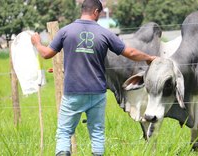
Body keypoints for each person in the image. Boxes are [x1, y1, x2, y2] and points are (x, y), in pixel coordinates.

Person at [31, 0, 156, 155]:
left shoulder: (65, 31)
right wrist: (149, 57)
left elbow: (46, 53)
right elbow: (130, 53)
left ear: (83, 10)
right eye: (101, 13)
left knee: (64, 132)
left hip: (73, 92)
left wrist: (37, 43)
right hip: (97, 92)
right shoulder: (105, 33)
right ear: (96, 11)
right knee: (97, 133)